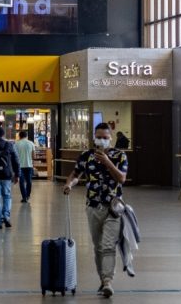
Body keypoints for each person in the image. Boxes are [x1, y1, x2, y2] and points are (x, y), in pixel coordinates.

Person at [63, 122, 128, 298]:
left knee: (108, 246)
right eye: (99, 137)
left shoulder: (119, 156)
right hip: (92, 206)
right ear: (94, 137)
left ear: (111, 138)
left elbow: (121, 178)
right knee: (98, 247)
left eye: (105, 138)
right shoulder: (86, 156)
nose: (102, 141)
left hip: (114, 207)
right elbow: (76, 174)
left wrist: (107, 162)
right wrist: (70, 184)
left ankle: (108, 281)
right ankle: (102, 279)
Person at [14, 131, 35, 203]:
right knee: (29, 181)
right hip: (29, 165)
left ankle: (24, 197)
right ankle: (28, 195)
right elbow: (33, 156)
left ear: (19, 136)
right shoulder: (31, 143)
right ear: (26, 136)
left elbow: (14, 156)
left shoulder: (16, 144)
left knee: (21, 182)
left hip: (20, 166)